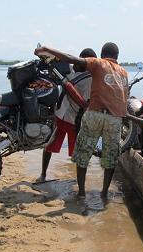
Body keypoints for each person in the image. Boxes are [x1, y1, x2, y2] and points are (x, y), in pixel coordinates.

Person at [34, 42, 128, 199]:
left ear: (101, 54)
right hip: (114, 118)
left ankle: (82, 192)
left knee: (82, 154)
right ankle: (104, 193)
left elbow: (70, 58)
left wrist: (48, 49)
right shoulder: (124, 73)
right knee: (110, 157)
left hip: (91, 114)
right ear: (117, 56)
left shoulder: (97, 65)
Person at [36, 48, 97, 183]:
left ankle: (77, 180)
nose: (78, 63)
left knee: (77, 153)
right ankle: (43, 174)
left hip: (76, 120)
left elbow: (86, 102)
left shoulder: (91, 79)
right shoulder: (69, 69)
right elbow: (55, 61)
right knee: (49, 145)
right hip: (60, 114)